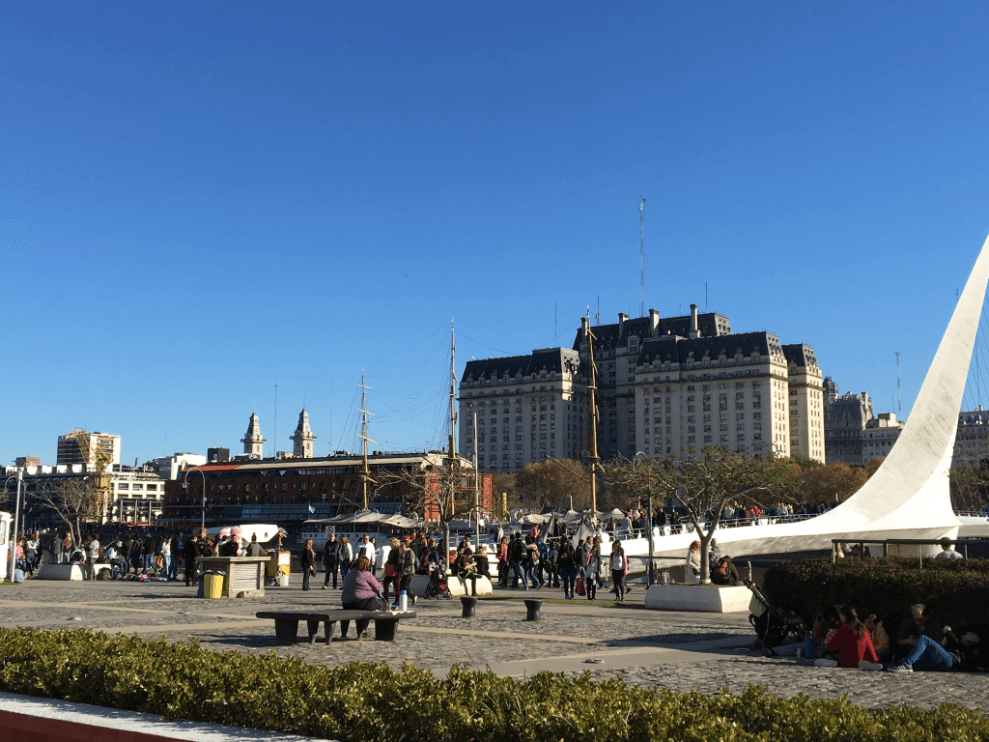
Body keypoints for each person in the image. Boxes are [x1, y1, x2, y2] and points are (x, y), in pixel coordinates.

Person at [815, 605, 880, 668]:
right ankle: (870, 664)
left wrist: (828, 641)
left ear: (844, 616)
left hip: (845, 661)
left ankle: (833, 662)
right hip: (860, 661)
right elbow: (870, 648)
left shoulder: (845, 628)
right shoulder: (864, 629)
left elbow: (832, 647)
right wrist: (873, 660)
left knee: (827, 656)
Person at [339, 555, 385, 640]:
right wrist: (372, 590)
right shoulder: (366, 574)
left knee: (368, 605)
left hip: (346, 603)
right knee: (377, 604)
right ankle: (363, 629)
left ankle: (344, 633)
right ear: (366, 565)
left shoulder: (350, 573)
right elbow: (378, 588)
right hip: (360, 602)